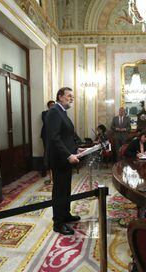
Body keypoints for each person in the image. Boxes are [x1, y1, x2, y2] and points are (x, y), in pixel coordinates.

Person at [46, 87, 83, 235]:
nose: (71, 98)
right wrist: (68, 155)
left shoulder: (62, 112)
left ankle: (66, 214)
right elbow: (54, 138)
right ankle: (58, 223)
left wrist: (75, 150)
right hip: (59, 160)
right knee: (59, 191)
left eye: (72, 96)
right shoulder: (54, 112)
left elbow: (66, 136)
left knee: (66, 188)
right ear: (60, 96)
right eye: (69, 96)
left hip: (66, 158)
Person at [41, 100, 55, 176]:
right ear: (48, 106)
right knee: (46, 152)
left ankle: (52, 169)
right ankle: (44, 170)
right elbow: (46, 122)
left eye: (54, 105)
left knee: (53, 152)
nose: (53, 106)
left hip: (53, 135)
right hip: (46, 135)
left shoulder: (56, 113)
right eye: (51, 105)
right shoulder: (44, 113)